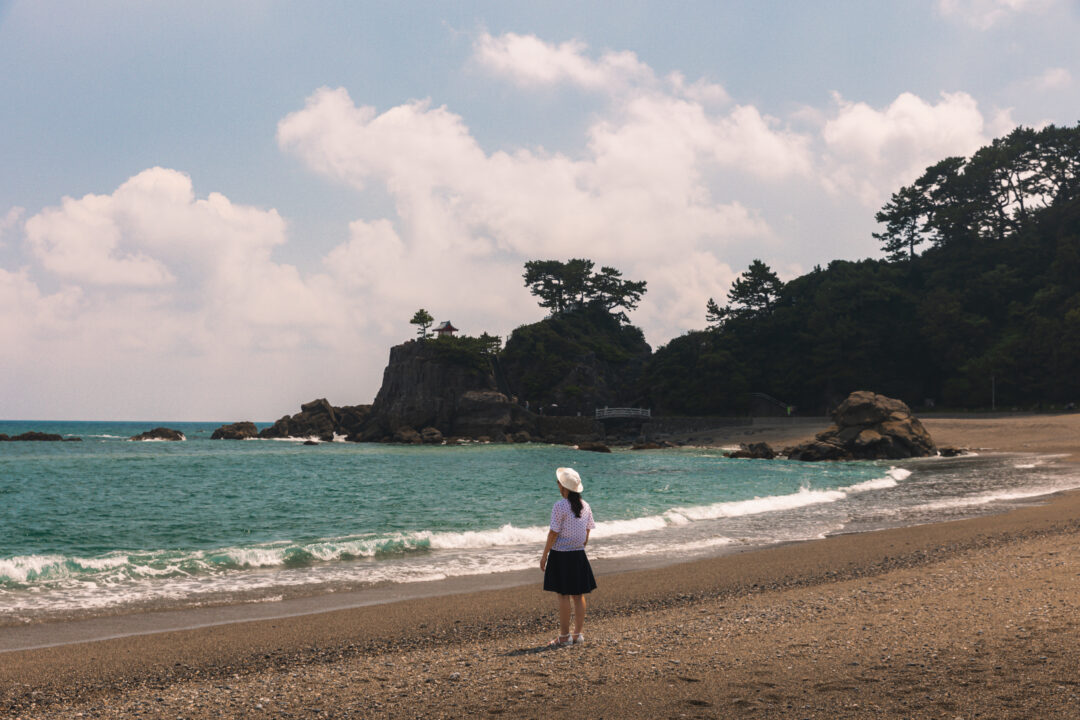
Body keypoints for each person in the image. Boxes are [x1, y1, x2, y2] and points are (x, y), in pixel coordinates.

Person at [540, 467, 597, 647]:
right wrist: (579, 545)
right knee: (578, 595)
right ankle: (577, 634)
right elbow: (587, 532)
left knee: (563, 595)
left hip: (561, 555)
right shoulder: (585, 506)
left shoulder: (559, 506)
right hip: (578, 554)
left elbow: (553, 533)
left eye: (559, 483)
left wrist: (544, 554)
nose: (557, 485)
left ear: (563, 487)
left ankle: (564, 637)